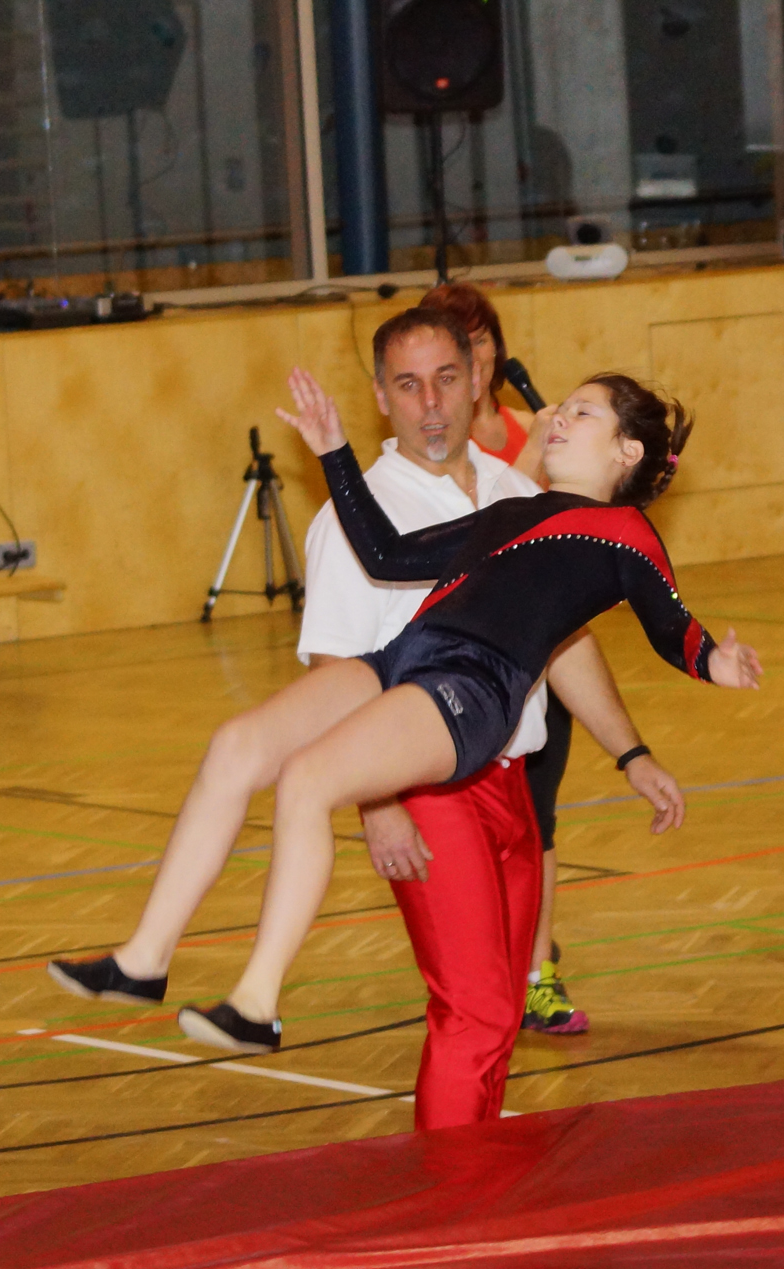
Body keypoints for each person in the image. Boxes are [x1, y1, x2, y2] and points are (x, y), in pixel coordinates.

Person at [48, 368, 762, 1055]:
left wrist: (714, 661)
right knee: (236, 746)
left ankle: (256, 1005)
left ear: (627, 452)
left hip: (474, 689)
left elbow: (670, 621)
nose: (559, 417)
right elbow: (385, 556)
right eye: (564, 406)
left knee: (308, 780)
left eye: (584, 412)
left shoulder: (623, 532)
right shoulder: (510, 512)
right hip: (405, 658)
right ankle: (143, 960)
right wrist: (334, 452)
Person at [294, 305, 678, 1124]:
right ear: (380, 398)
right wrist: (379, 804)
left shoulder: (523, 495)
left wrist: (631, 752)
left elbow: (563, 642)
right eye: (408, 385)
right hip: (429, 792)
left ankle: (479, 1176)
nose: (430, 403)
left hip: (513, 787)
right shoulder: (354, 517)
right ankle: (452, 1189)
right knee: (471, 1013)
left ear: (477, 382)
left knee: (501, 1013)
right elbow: (333, 676)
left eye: (446, 378)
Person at [418, 280, 587, 1034]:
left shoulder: (536, 428)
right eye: (457, 341)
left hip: (545, 656)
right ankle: (487, 968)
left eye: (479, 337)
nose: (473, 353)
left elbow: (576, 534)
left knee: (537, 822)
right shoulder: (444, 451)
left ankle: (538, 971)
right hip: (469, 667)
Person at [420, 280, 551, 475]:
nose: (473, 357)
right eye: (460, 345)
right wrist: (533, 449)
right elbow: (494, 497)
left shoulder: (529, 424)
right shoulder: (434, 441)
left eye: (480, 341)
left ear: (496, 347)